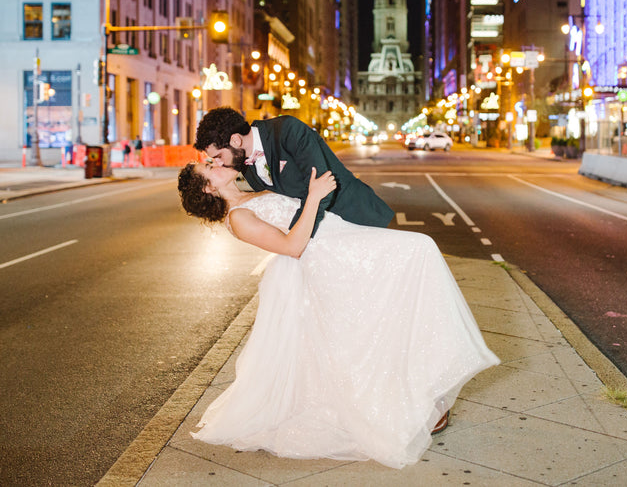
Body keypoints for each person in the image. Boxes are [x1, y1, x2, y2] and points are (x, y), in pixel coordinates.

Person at [177, 160, 499, 469]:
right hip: (328, 255)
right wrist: (314, 197)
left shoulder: (252, 189)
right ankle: (418, 398)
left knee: (406, 282)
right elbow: (292, 246)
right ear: (207, 189)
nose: (216, 163)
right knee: (419, 252)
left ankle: (428, 389)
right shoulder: (237, 218)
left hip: (340, 237)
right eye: (209, 166)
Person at [195, 107, 393, 236]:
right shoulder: (242, 166)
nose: (219, 163)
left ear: (236, 140)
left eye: (219, 156)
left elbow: (322, 186)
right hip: (325, 233)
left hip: (357, 216)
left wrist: (297, 236)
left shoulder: (287, 130)